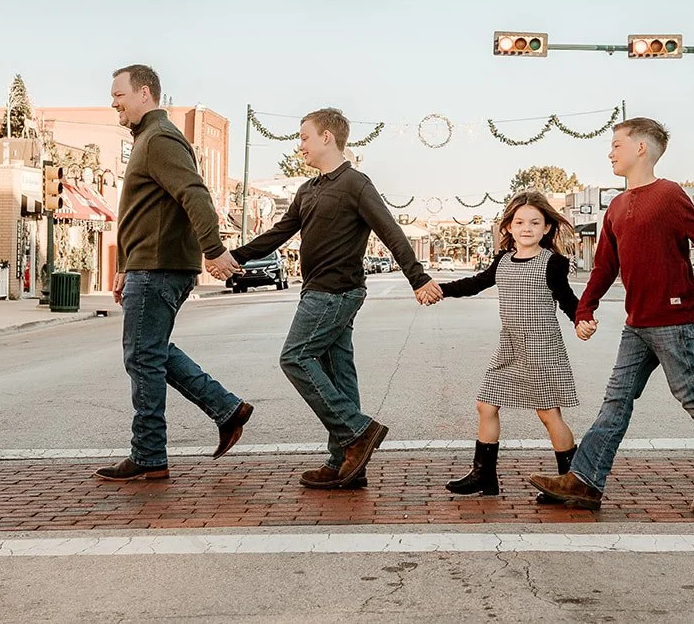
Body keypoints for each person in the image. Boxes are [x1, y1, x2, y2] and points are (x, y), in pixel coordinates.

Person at [527, 118, 694, 515]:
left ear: (641, 148)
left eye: (617, 145)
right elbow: (604, 266)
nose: (610, 152)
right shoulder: (616, 207)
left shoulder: (669, 194)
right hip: (637, 323)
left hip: (672, 318)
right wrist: (585, 307)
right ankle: (585, 481)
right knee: (616, 401)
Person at [227, 107, 443, 489]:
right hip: (317, 290)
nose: (300, 145)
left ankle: (358, 432)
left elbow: (391, 232)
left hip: (335, 291)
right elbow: (279, 232)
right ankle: (345, 461)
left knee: (294, 357)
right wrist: (236, 257)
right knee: (339, 373)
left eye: (305, 137)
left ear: (327, 136)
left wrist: (418, 278)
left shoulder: (356, 184)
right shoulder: (307, 189)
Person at [96, 65, 253, 482]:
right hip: (146, 265)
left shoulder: (159, 138)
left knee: (143, 357)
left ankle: (149, 454)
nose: (114, 103)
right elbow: (142, 215)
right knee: (151, 352)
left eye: (119, 94)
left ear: (145, 93)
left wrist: (214, 251)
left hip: (160, 267)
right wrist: (123, 266)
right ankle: (227, 409)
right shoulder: (148, 139)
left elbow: (194, 194)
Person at [438, 191, 581, 499]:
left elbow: (568, 299)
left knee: (548, 414)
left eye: (534, 222)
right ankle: (483, 476)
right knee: (485, 404)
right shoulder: (503, 261)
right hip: (511, 347)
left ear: (546, 228)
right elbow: (475, 283)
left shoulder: (552, 263)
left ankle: (571, 482)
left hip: (542, 350)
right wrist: (440, 289)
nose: (526, 228)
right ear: (509, 228)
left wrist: (582, 320)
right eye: (519, 222)